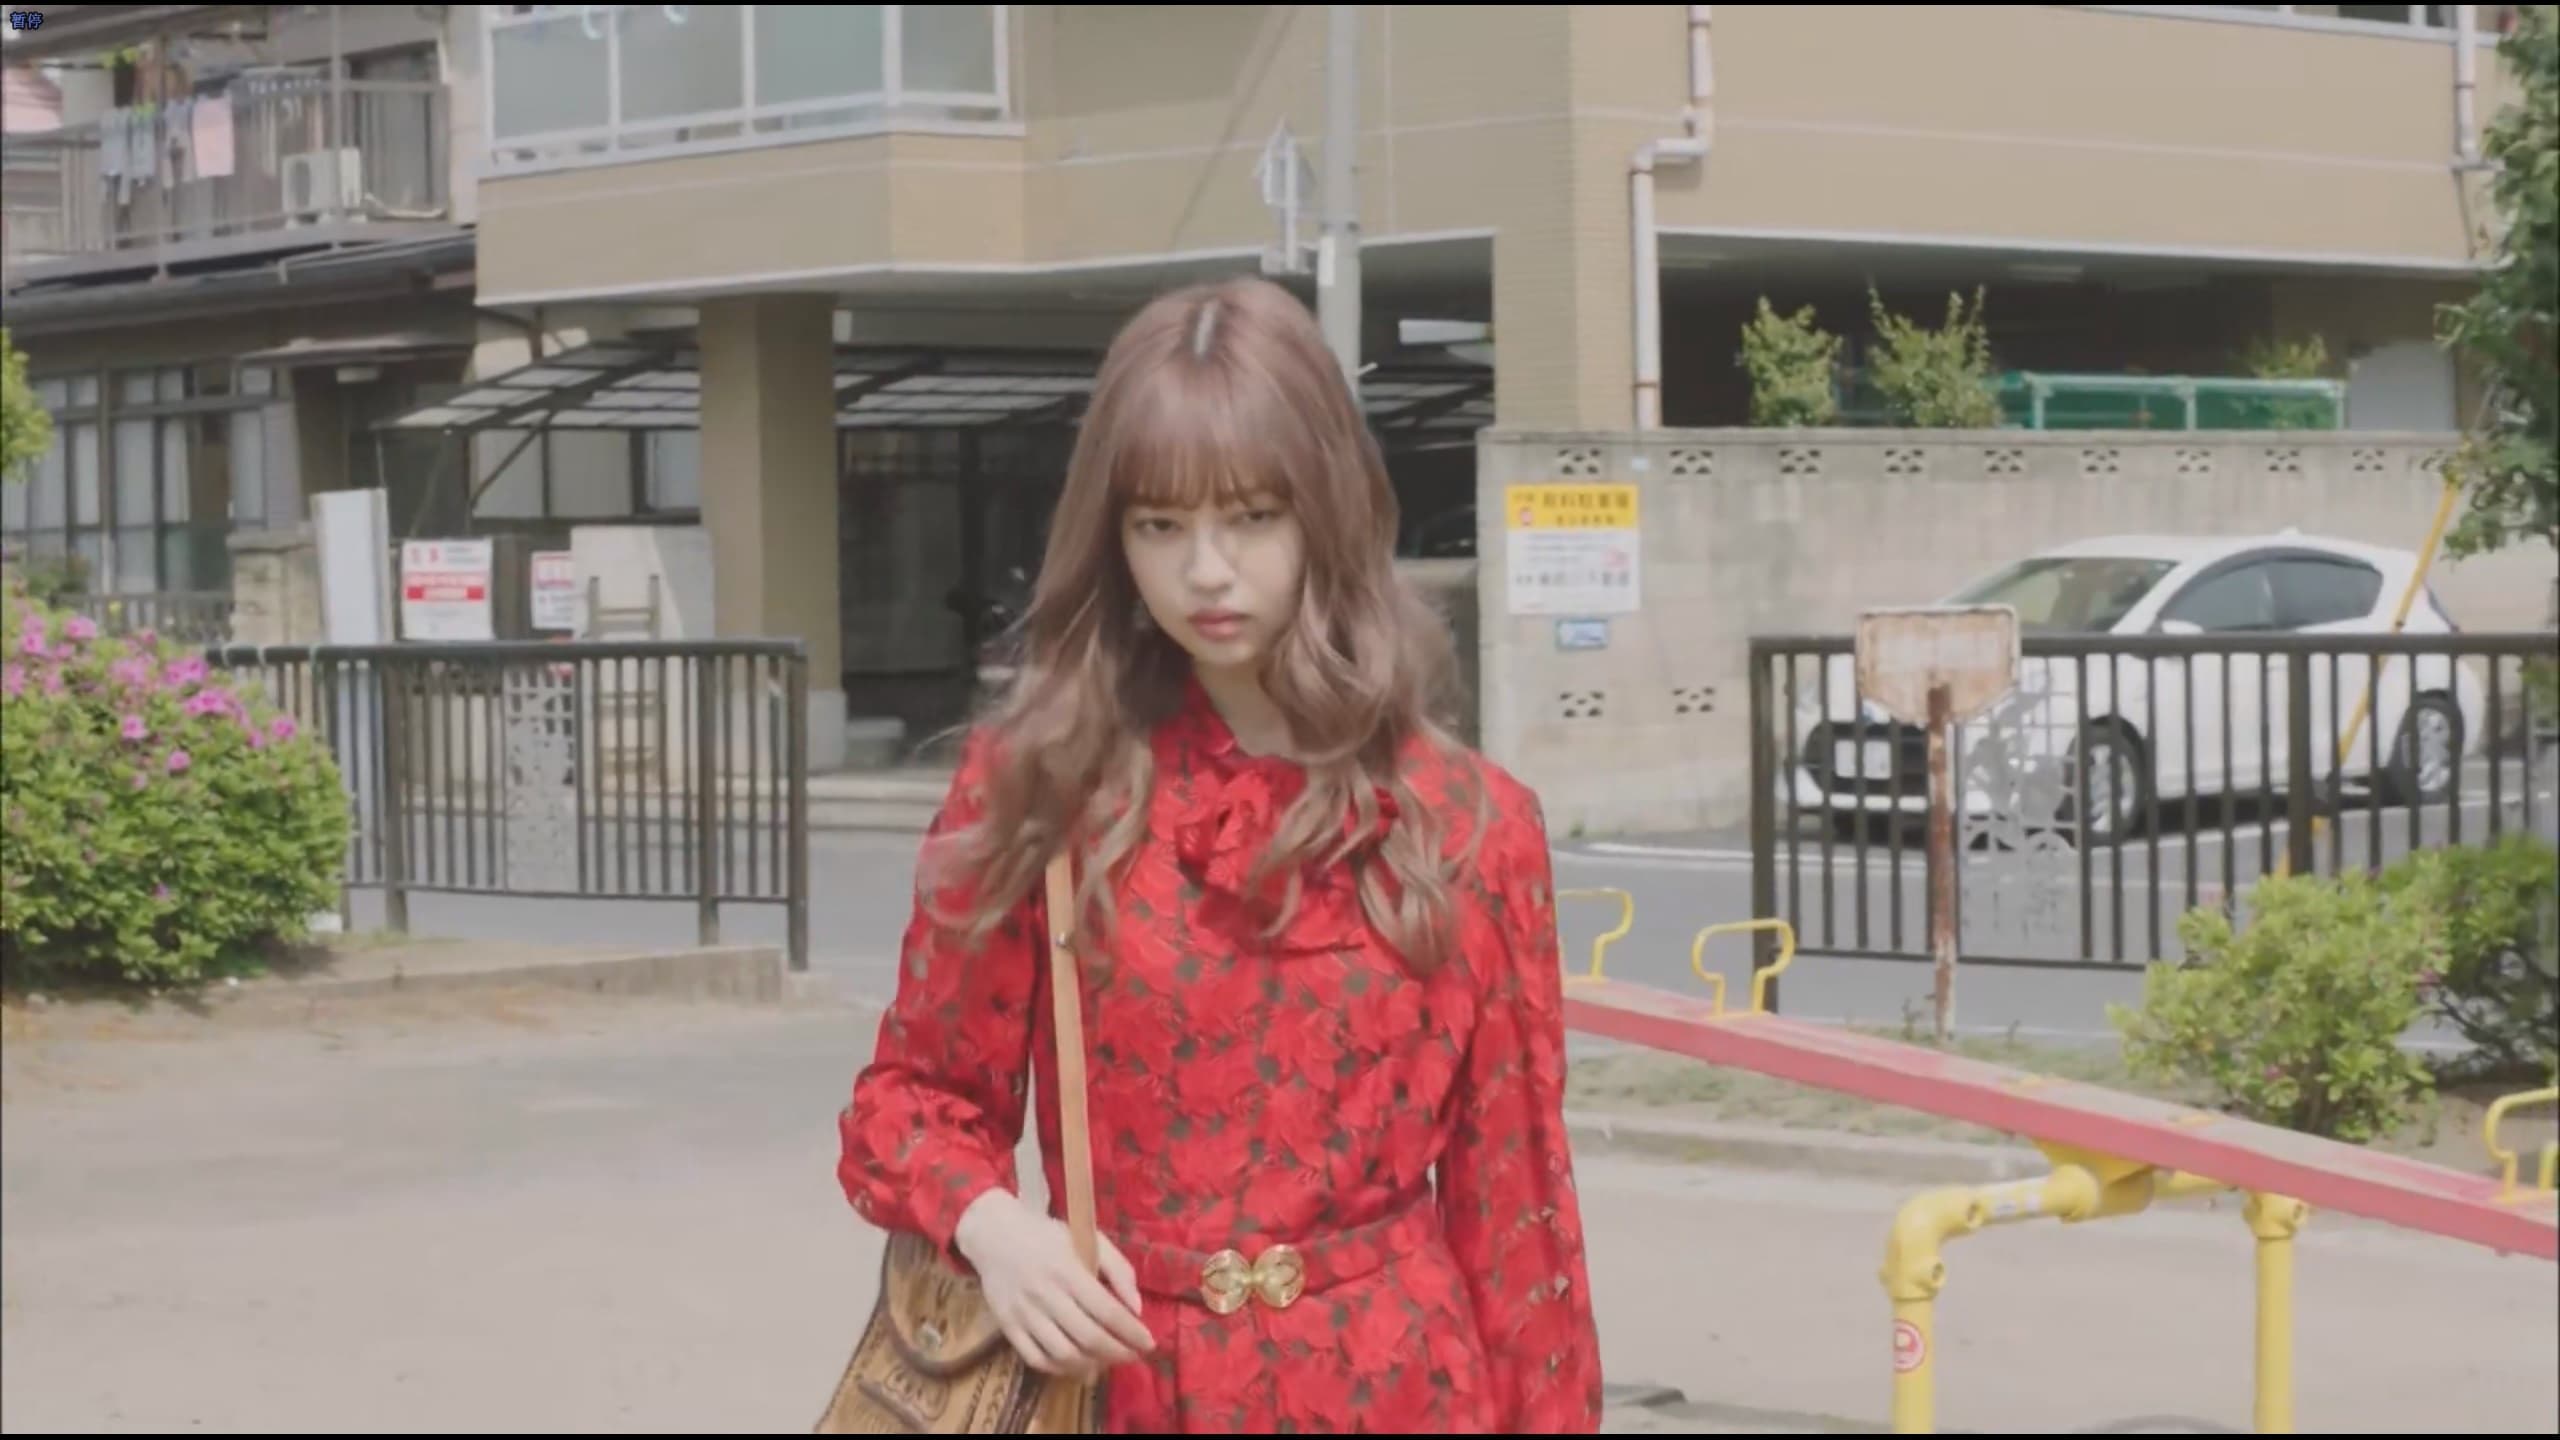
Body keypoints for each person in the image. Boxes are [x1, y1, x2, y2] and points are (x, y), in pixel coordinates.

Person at [836, 275, 1603, 1434]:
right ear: (1113, 536)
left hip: (1404, 1392)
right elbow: (912, 1103)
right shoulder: (1045, 788)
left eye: (1250, 517)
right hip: (1127, 1384)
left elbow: (1518, 1213)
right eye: (1159, 525)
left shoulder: (1468, 822)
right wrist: (999, 1234)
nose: (1204, 571)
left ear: (1326, 511)